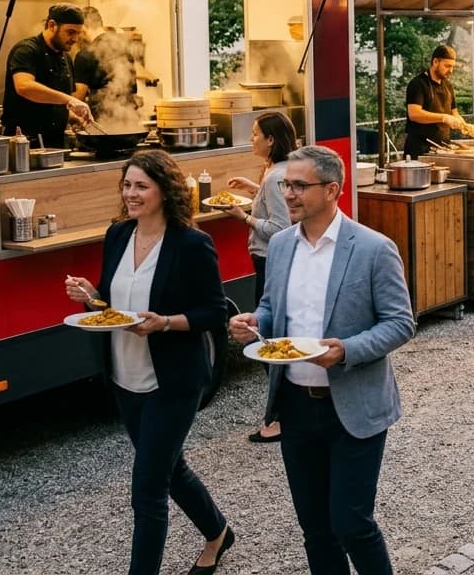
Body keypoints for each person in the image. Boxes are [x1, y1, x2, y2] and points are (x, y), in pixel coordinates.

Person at [228, 145, 414, 575]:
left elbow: (401, 323)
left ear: (332, 190)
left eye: (298, 185)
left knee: (351, 524)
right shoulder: (279, 246)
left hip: (354, 407)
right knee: (315, 529)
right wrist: (257, 320)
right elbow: (275, 308)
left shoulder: (372, 248)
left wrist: (346, 350)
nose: (288, 193)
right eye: (285, 184)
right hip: (295, 405)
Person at [65, 149, 232, 575]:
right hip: (125, 377)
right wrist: (92, 297)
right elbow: (112, 302)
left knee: (148, 489)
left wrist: (166, 323)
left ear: (164, 190)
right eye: (126, 185)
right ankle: (218, 532)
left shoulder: (192, 244)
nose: (131, 193)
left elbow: (214, 312)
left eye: (141, 185)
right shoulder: (118, 234)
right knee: (170, 468)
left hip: (173, 381)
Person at [223, 111, 299, 444]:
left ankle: (281, 415)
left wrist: (243, 218)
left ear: (271, 140)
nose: (252, 138)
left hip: (270, 261)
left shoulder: (274, 175)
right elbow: (274, 203)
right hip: (268, 262)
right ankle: (285, 410)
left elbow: (281, 228)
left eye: (256, 134)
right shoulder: (275, 172)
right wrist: (252, 188)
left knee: (264, 335)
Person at [2, 3, 93, 146]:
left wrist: (70, 116)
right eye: (70, 32)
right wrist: (70, 100)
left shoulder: (65, 57)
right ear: (52, 25)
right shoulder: (27, 50)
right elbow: (24, 87)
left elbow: (51, 105)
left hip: (55, 143)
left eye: (78, 33)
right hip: (25, 143)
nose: (75, 39)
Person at [73, 6, 141, 117]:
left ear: (84, 28)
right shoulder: (123, 47)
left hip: (103, 120)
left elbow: (77, 99)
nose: (76, 37)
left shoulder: (85, 55)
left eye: (77, 31)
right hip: (129, 117)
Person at [403, 44, 468, 160]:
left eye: (453, 67)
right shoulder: (418, 84)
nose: (451, 71)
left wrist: (461, 122)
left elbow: (454, 112)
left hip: (443, 148)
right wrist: (443, 118)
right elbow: (414, 114)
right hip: (420, 150)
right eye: (447, 66)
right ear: (435, 62)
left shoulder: (448, 86)